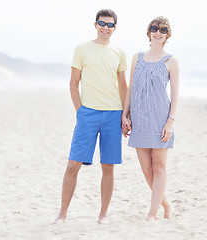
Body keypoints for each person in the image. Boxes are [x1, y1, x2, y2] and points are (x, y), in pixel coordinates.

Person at [52, 9, 127, 225]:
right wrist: (80, 110)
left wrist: (125, 114)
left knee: (108, 166)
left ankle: (103, 216)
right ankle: (62, 214)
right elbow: (73, 83)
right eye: (102, 23)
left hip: (113, 114)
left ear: (115, 28)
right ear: (95, 25)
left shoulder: (119, 52)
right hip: (88, 113)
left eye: (110, 24)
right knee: (73, 164)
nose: (106, 27)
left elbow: (123, 86)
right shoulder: (82, 49)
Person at [121, 16, 179, 221]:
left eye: (163, 30)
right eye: (154, 28)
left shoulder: (171, 61)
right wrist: (124, 114)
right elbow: (130, 88)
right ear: (149, 32)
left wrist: (170, 122)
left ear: (167, 35)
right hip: (139, 119)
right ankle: (167, 204)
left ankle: (152, 213)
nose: (158, 32)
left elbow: (174, 95)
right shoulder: (137, 57)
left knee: (159, 167)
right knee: (146, 169)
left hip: (160, 119)